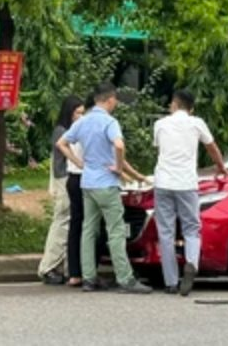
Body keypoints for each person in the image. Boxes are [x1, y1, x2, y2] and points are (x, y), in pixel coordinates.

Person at [57, 82, 152, 294]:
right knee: (115, 230)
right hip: (106, 184)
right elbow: (119, 145)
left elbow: (61, 143)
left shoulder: (83, 121)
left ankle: (88, 277)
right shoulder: (110, 122)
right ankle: (125, 278)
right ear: (109, 100)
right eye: (115, 100)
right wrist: (118, 167)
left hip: (87, 182)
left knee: (88, 230)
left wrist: (78, 162)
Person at [152, 89, 228, 296]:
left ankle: (170, 282)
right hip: (186, 183)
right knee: (191, 228)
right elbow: (212, 148)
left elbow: (159, 148)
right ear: (191, 108)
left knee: (166, 232)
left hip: (163, 182)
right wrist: (221, 167)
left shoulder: (160, 124)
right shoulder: (197, 123)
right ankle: (191, 263)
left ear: (174, 105)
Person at [38, 95, 85, 285]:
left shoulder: (67, 129)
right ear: (69, 112)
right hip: (64, 178)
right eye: (78, 113)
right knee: (62, 222)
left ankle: (64, 267)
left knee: (68, 223)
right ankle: (48, 266)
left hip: (67, 178)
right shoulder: (63, 132)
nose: (81, 117)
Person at [63, 95, 93, 288]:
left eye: (83, 112)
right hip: (78, 177)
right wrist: (78, 163)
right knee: (81, 225)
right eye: (78, 113)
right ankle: (77, 271)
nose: (81, 116)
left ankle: (80, 271)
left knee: (82, 224)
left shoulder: (78, 129)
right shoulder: (78, 131)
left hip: (81, 177)